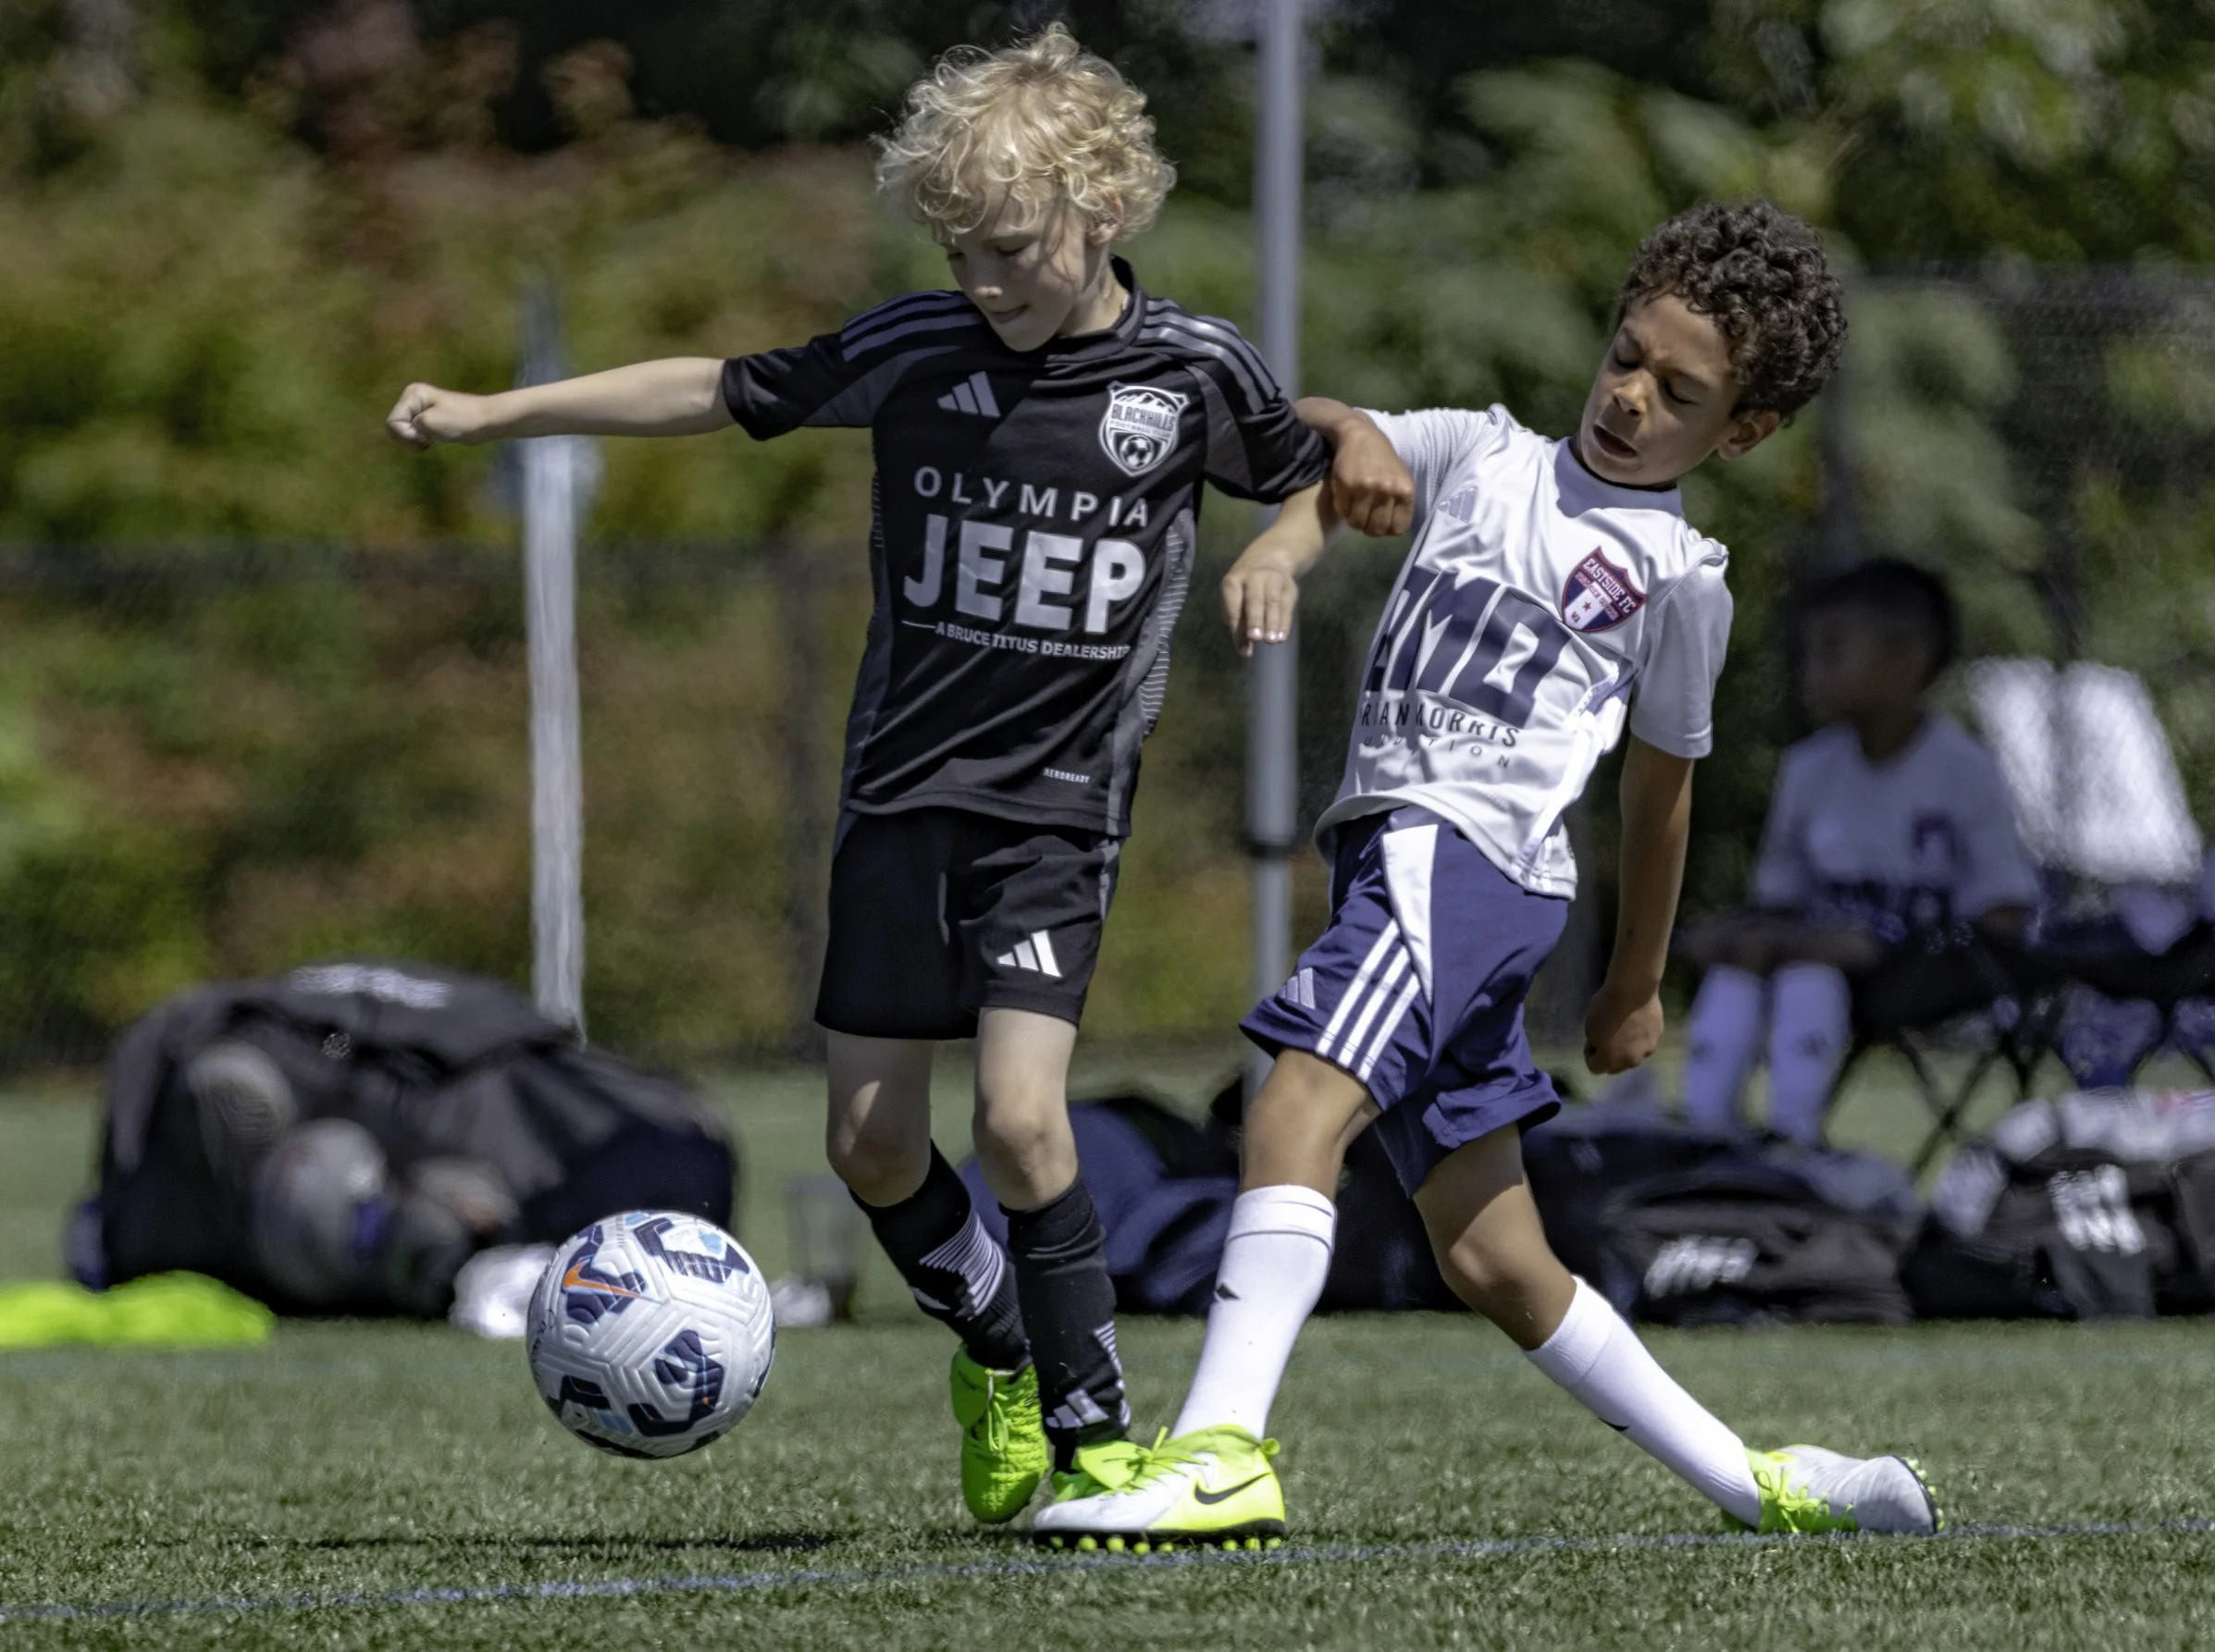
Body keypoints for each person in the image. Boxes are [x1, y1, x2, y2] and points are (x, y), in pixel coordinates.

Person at [384, 26, 1334, 1525]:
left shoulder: (1192, 369)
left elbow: (1313, 471)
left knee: (1021, 1121)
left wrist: (1282, 542)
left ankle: (1097, 1439)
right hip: (899, 800)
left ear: (1103, 210)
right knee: (870, 1144)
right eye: (959, 252)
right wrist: (497, 413)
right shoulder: (916, 350)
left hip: (1055, 815)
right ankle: (995, 1350)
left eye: (1011, 249)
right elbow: (716, 389)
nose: (984, 281)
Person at [1034, 200, 1942, 1550]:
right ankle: (1760, 1482)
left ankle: (1218, 1450)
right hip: (1403, 865)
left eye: (1679, 393)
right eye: (1626, 356)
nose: (1630, 397)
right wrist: (1298, 523)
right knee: (1492, 1254)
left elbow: (1659, 797)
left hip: (1459, 863)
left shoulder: (1681, 577)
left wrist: (1634, 985)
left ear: (1742, 432)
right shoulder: (1483, 450)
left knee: (1292, 1106)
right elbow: (1323, 428)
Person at [1681, 559, 2038, 1146]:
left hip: (1925, 977)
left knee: (1809, 972)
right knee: (1745, 966)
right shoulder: (1808, 768)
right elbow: (1780, 901)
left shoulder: (1965, 771)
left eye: (1833, 652)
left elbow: (2006, 912)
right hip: (1822, 960)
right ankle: (1706, 1136)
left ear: (1905, 664)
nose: (1811, 673)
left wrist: (1890, 947)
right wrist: (1735, 934)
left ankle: (1793, 1139)